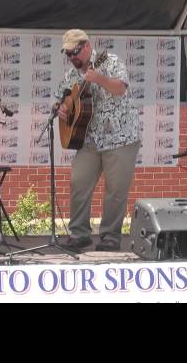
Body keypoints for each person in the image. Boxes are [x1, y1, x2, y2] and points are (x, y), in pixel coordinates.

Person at [55, 29, 142, 252]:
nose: (72, 57)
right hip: (89, 139)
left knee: (115, 190)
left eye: (74, 52)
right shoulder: (71, 75)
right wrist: (62, 109)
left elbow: (121, 88)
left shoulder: (110, 61)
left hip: (120, 137)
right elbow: (60, 100)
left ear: (87, 47)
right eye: (67, 54)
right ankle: (79, 234)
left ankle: (110, 236)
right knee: (79, 183)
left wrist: (98, 79)